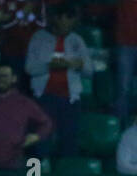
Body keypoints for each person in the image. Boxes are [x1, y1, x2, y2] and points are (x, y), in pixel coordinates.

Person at [26, 5, 93, 157]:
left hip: (70, 100)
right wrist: (49, 66)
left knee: (69, 143)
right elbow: (29, 68)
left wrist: (77, 65)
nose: (68, 22)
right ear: (56, 19)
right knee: (38, 143)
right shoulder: (38, 38)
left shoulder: (77, 40)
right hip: (43, 99)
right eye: (65, 18)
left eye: (71, 19)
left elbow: (89, 70)